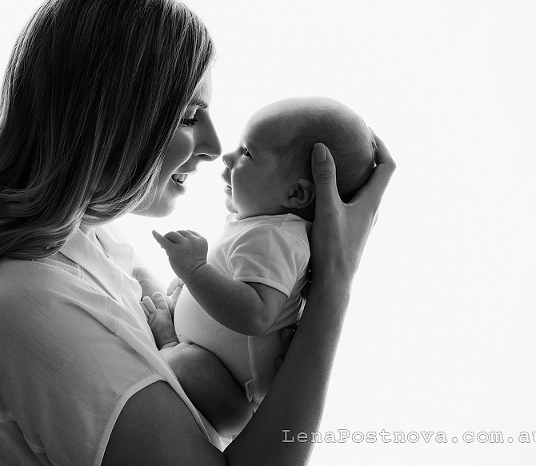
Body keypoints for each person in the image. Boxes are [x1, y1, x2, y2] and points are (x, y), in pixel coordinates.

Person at [0, 0, 395, 466]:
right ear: (111, 117)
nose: (216, 147)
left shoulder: (87, 238)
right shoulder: (32, 304)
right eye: (191, 115)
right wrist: (333, 287)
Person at [141, 97, 377, 437]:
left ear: (296, 194)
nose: (228, 156)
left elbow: (255, 315)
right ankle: (175, 335)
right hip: (219, 364)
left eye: (248, 153)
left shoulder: (278, 238)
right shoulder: (261, 226)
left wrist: (194, 270)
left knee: (185, 363)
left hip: (231, 396)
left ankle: (168, 344)